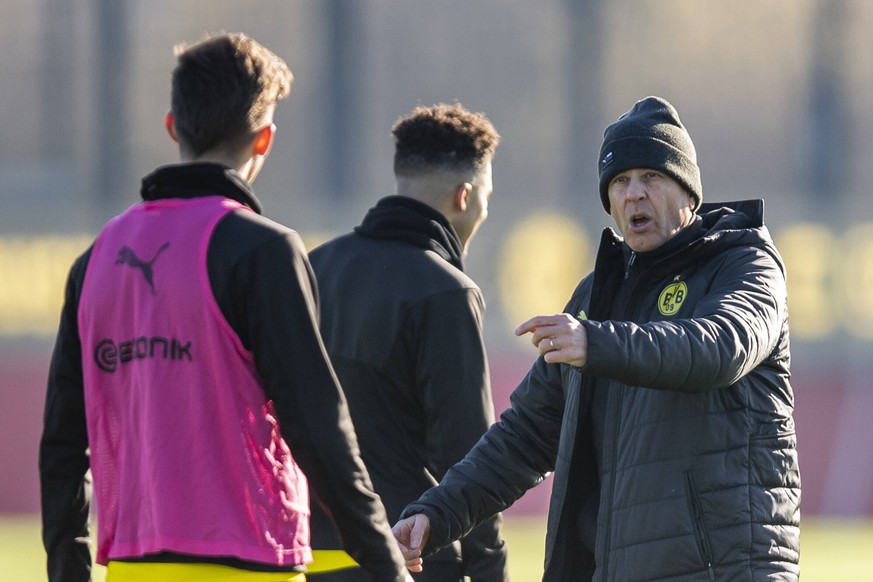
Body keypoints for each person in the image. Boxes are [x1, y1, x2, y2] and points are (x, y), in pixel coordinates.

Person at [39, 33, 410, 582]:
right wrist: (386, 564)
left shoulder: (94, 261)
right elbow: (316, 426)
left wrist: (69, 569)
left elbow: (63, 446)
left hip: (133, 567)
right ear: (264, 140)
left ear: (173, 126)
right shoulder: (263, 250)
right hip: (249, 562)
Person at [393, 96, 801, 581]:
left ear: (689, 193)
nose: (634, 194)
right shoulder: (597, 296)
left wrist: (595, 344)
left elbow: (719, 347)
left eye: (653, 176)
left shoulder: (743, 263)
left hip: (724, 571)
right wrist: (436, 512)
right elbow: (525, 435)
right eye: (620, 181)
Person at [306, 103, 508, 581]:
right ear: (464, 196)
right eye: (486, 197)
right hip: (409, 555)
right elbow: (467, 456)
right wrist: (489, 570)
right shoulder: (446, 291)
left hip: (304, 554)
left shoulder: (312, 268)